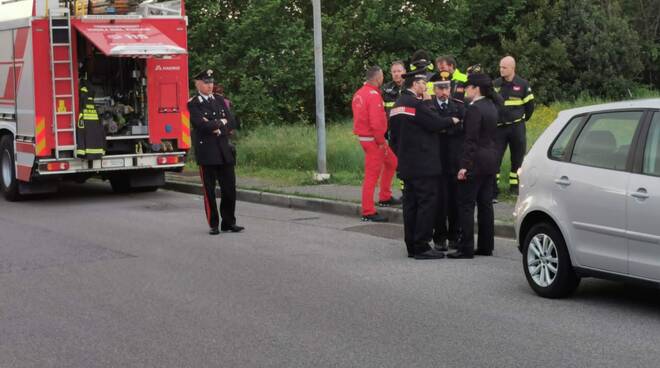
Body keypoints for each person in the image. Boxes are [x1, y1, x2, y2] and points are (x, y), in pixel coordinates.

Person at [389, 65, 460, 260]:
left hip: (406, 164)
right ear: (416, 84)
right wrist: (452, 120)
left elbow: (392, 138)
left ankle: (411, 245)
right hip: (424, 166)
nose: (426, 87)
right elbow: (435, 122)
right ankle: (421, 246)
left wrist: (402, 154)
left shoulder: (396, 106)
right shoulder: (417, 105)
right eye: (423, 84)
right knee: (426, 204)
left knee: (410, 205)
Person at [447, 72, 499, 259]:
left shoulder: (474, 109)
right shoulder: (491, 106)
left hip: (475, 161)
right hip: (490, 160)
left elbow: (471, 140)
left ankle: (466, 247)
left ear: (476, 89)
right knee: (485, 205)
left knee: (466, 205)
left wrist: (464, 166)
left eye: (467, 87)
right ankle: (486, 246)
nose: (465, 90)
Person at [188, 69, 244, 235]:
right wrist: (220, 122)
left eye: (211, 82)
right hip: (207, 153)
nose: (210, 85)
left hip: (224, 151)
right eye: (206, 82)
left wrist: (218, 126)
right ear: (198, 84)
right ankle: (214, 223)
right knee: (210, 191)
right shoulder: (194, 103)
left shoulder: (220, 100)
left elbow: (232, 123)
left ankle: (229, 222)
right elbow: (201, 125)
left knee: (229, 189)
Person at [352, 66, 400, 222]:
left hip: (367, 138)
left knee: (392, 162)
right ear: (378, 78)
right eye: (382, 77)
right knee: (371, 175)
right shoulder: (373, 95)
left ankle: (385, 196)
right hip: (374, 140)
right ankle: (368, 211)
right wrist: (381, 141)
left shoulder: (359, 93)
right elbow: (376, 121)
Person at [429, 71, 465, 251]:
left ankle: (454, 236)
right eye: (441, 88)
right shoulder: (429, 107)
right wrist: (449, 124)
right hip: (437, 161)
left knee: (455, 201)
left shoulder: (459, 106)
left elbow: (462, 129)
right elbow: (433, 128)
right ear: (435, 89)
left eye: (447, 87)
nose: (444, 92)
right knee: (439, 202)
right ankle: (439, 237)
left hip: (454, 160)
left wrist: (444, 127)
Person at [493, 56, 534, 198]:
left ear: (512, 68)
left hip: (517, 128)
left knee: (517, 159)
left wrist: (520, 120)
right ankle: (493, 189)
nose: (501, 70)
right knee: (495, 158)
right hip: (498, 128)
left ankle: (515, 187)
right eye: (500, 67)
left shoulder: (523, 84)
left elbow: (529, 107)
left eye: (504, 67)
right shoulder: (495, 84)